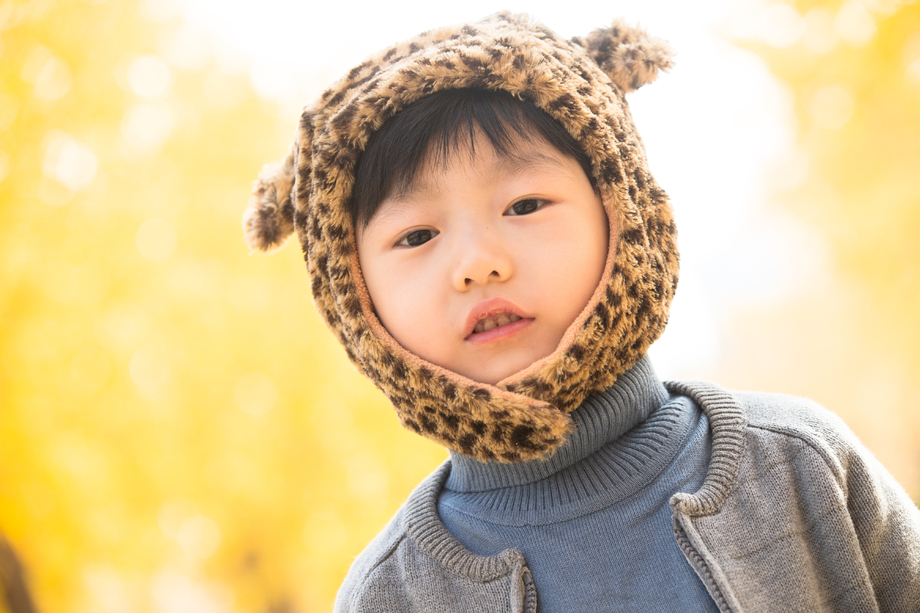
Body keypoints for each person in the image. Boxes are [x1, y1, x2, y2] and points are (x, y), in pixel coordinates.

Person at [242, 12, 920, 612]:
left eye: (525, 205)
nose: (478, 262)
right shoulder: (392, 594)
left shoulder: (800, 467)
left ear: (622, 211)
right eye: (418, 236)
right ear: (354, 297)